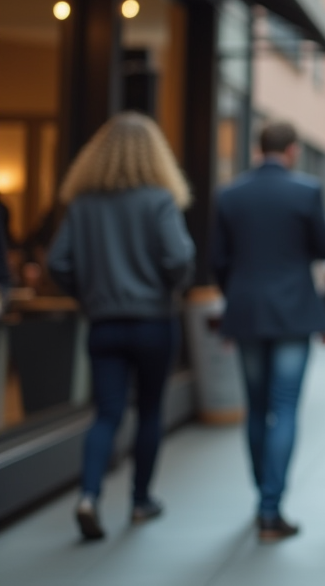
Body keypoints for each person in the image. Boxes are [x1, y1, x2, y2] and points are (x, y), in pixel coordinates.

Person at [46, 112, 196, 541]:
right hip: (153, 323)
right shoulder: (159, 199)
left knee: (106, 413)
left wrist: (89, 295)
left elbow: (58, 262)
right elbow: (180, 259)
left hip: (104, 324)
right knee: (149, 411)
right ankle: (141, 502)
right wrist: (169, 287)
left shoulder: (84, 203)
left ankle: (89, 496)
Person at [211, 121, 325, 542]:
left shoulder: (230, 194)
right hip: (293, 313)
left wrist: (235, 296)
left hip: (246, 312)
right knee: (284, 407)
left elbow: (217, 260)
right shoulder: (306, 192)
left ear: (257, 147)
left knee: (256, 407)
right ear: (294, 150)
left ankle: (261, 498)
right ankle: (270, 507)